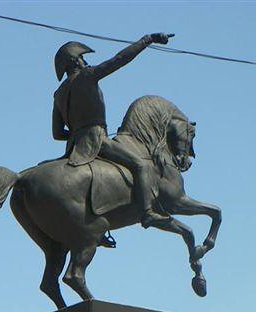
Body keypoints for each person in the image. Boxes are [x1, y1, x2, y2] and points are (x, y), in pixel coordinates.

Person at [52, 33, 174, 229]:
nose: (85, 61)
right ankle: (148, 213)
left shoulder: (58, 93)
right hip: (97, 140)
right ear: (75, 60)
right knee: (142, 165)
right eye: (83, 57)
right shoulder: (87, 76)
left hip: (74, 146)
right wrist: (146, 40)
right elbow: (119, 60)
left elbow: (57, 134)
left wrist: (79, 133)